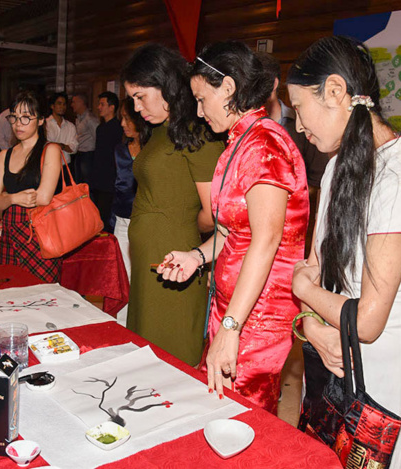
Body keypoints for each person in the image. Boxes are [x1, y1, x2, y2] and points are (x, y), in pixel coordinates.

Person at [287, 36, 401, 469]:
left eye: (299, 107)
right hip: (331, 352)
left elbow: (369, 320)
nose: (299, 125)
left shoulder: (400, 182)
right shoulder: (339, 165)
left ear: (335, 91)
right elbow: (318, 264)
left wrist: (301, 289)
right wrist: (312, 327)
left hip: (383, 367)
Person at [157, 41, 309, 413]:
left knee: (243, 412)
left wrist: (231, 326)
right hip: (235, 308)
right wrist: (196, 257)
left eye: (200, 98)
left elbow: (266, 239)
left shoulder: (264, 144)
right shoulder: (238, 142)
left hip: (257, 314)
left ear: (227, 88)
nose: (198, 110)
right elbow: (231, 232)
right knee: (220, 404)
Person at [121, 43, 223, 366]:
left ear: (164, 84)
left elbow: (216, 213)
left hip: (176, 263)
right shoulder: (162, 130)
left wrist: (182, 234)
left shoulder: (195, 131)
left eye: (140, 97)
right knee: (145, 353)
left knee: (170, 357)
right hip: (150, 262)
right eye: (132, 100)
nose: (137, 109)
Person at [0, 91, 63, 282]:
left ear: (40, 120)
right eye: (14, 117)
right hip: (11, 231)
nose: (18, 124)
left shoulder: (50, 150)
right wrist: (13, 198)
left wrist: (5, 198)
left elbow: (44, 198)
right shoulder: (4, 155)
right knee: (11, 291)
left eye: (26, 117)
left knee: (42, 293)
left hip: (40, 233)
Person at [260, 53, 329, 256]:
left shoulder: (300, 125)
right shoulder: (244, 128)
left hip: (293, 236)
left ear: (273, 84)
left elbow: (318, 182)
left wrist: (285, 197)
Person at [111, 97, 150, 325]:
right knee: (122, 279)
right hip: (122, 221)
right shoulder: (119, 150)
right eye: (121, 118)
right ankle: (123, 328)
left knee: (144, 279)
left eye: (128, 118)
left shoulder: (154, 150)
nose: (123, 124)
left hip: (147, 223)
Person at [91, 91, 124, 232]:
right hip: (98, 179)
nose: (99, 107)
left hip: (110, 180)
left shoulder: (118, 128)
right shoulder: (100, 128)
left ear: (112, 107)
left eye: (102, 104)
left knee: (107, 218)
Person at [70, 93, 99, 183]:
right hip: (79, 153)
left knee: (87, 183)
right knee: (79, 181)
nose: (71, 105)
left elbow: (97, 137)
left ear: (80, 102)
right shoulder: (78, 118)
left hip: (88, 155)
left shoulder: (90, 119)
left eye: (74, 102)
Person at [45, 92, 78, 166]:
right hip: (48, 165)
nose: (62, 107)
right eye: (59, 104)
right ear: (52, 106)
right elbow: (45, 145)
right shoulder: (45, 124)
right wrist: (63, 146)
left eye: (64, 104)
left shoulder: (70, 126)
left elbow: (74, 148)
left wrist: (61, 146)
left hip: (65, 165)